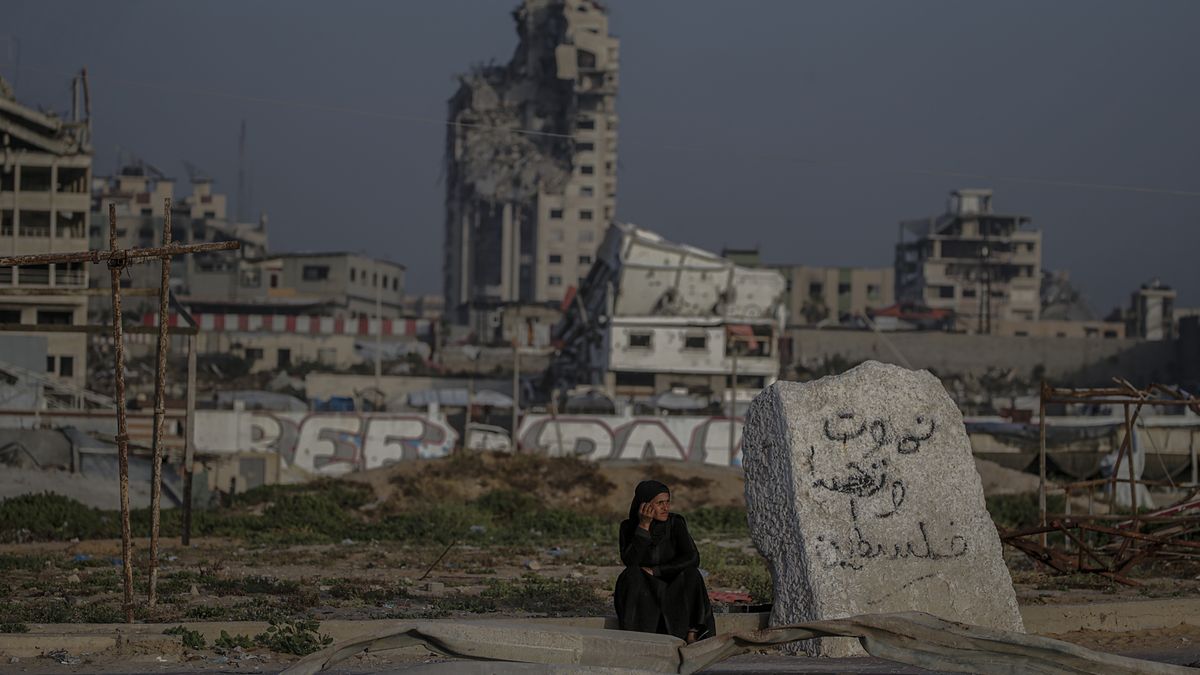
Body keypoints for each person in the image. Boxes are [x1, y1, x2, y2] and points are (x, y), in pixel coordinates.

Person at [613, 480, 716, 643]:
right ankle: (637, 637)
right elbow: (631, 561)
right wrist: (644, 526)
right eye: (660, 503)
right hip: (647, 586)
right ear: (644, 505)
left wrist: (658, 571)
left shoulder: (676, 523)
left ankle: (693, 632)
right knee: (630, 575)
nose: (666, 508)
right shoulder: (628, 527)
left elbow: (692, 557)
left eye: (667, 502)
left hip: (672, 580)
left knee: (692, 574)